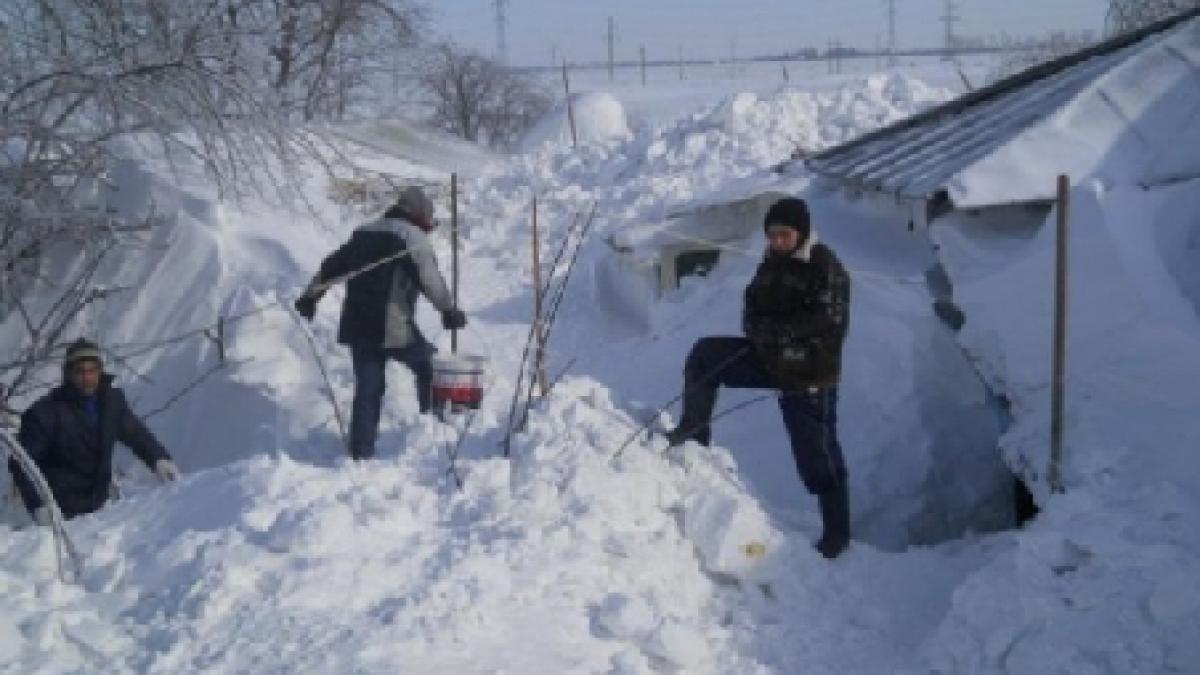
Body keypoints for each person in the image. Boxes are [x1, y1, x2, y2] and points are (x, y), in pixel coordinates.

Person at [667, 197, 853, 559]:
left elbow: (829, 322)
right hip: (769, 357)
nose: (778, 241)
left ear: (801, 233)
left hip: (809, 372)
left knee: (816, 453)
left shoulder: (824, 266)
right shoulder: (772, 261)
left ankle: (837, 533)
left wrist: (779, 332)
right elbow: (752, 306)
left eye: (785, 235)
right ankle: (693, 435)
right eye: (773, 235)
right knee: (705, 356)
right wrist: (761, 331)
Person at [294, 186, 466, 460]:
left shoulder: (364, 233)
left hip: (358, 326)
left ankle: (361, 453)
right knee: (430, 366)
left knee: (368, 390)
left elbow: (331, 267)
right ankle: (432, 433)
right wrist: (448, 310)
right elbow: (429, 277)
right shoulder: (412, 237)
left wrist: (310, 297)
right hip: (392, 327)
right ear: (419, 215)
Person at [9, 338, 180, 523]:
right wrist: (39, 505)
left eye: (92, 371)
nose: (87, 378)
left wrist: (159, 459)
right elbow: (21, 462)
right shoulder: (47, 412)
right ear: (68, 374)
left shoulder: (111, 403)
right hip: (61, 514)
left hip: (101, 507)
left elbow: (137, 435)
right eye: (80, 371)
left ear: (100, 371)